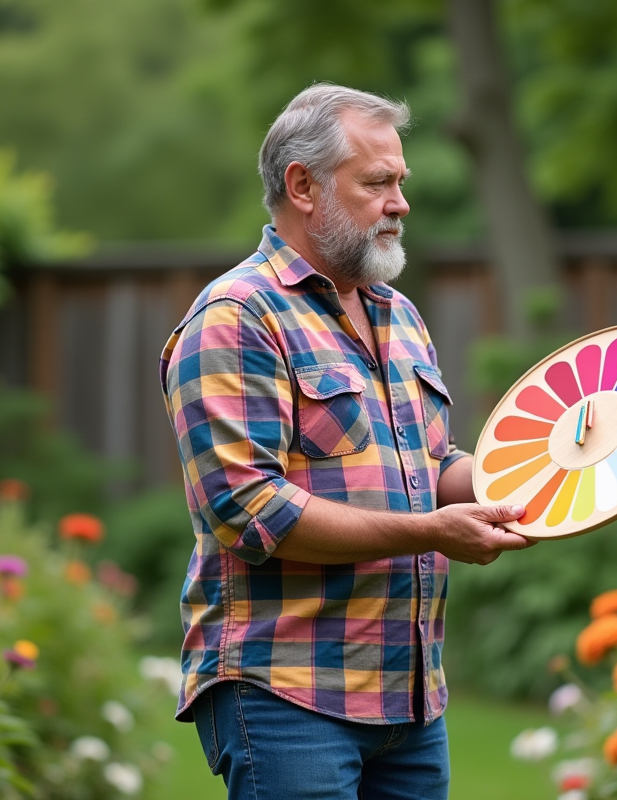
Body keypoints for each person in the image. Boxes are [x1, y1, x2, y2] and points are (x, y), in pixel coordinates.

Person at [159, 83, 534, 800]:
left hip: (410, 697)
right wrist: (432, 532)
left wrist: (533, 474)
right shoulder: (237, 316)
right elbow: (246, 508)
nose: (401, 203)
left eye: (401, 182)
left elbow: (431, 466)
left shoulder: (398, 314)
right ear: (303, 186)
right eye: (377, 183)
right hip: (285, 693)